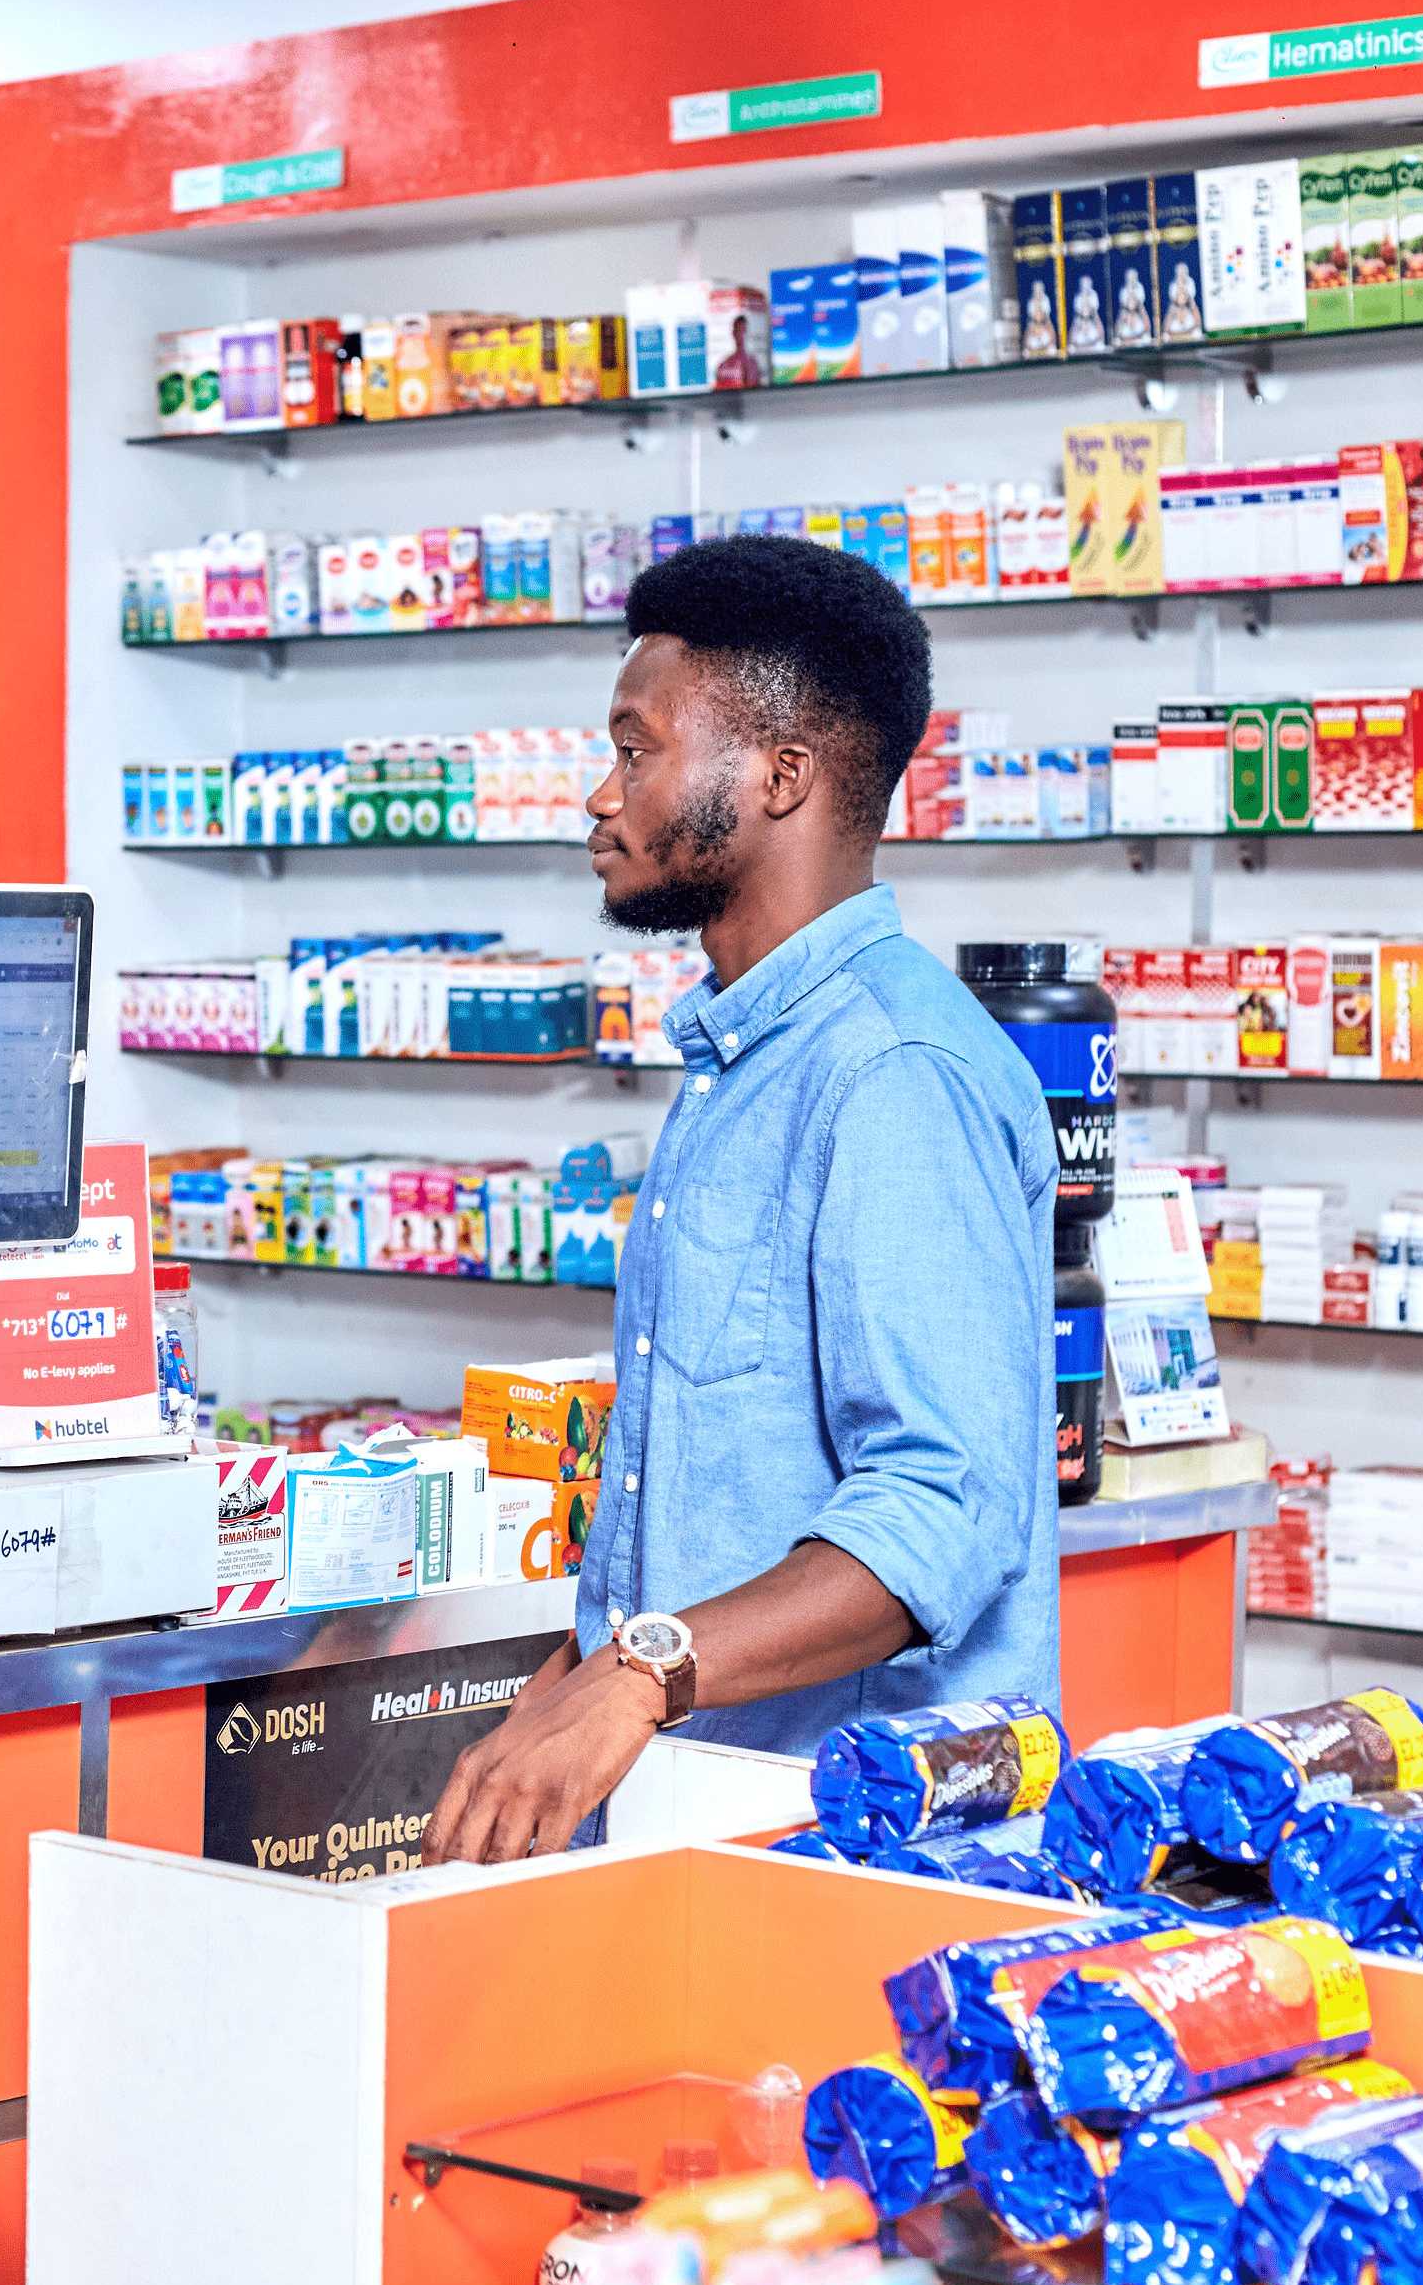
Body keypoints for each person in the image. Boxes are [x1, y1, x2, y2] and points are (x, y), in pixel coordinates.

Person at [423, 533, 1060, 1862]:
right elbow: (715, 1488)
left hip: (862, 1841)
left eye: (637, 748)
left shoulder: (891, 1072)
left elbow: (941, 1509)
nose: (599, 797)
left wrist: (639, 1672)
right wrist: (570, 1691)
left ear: (779, 775)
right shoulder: (741, 1063)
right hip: (715, 1815)